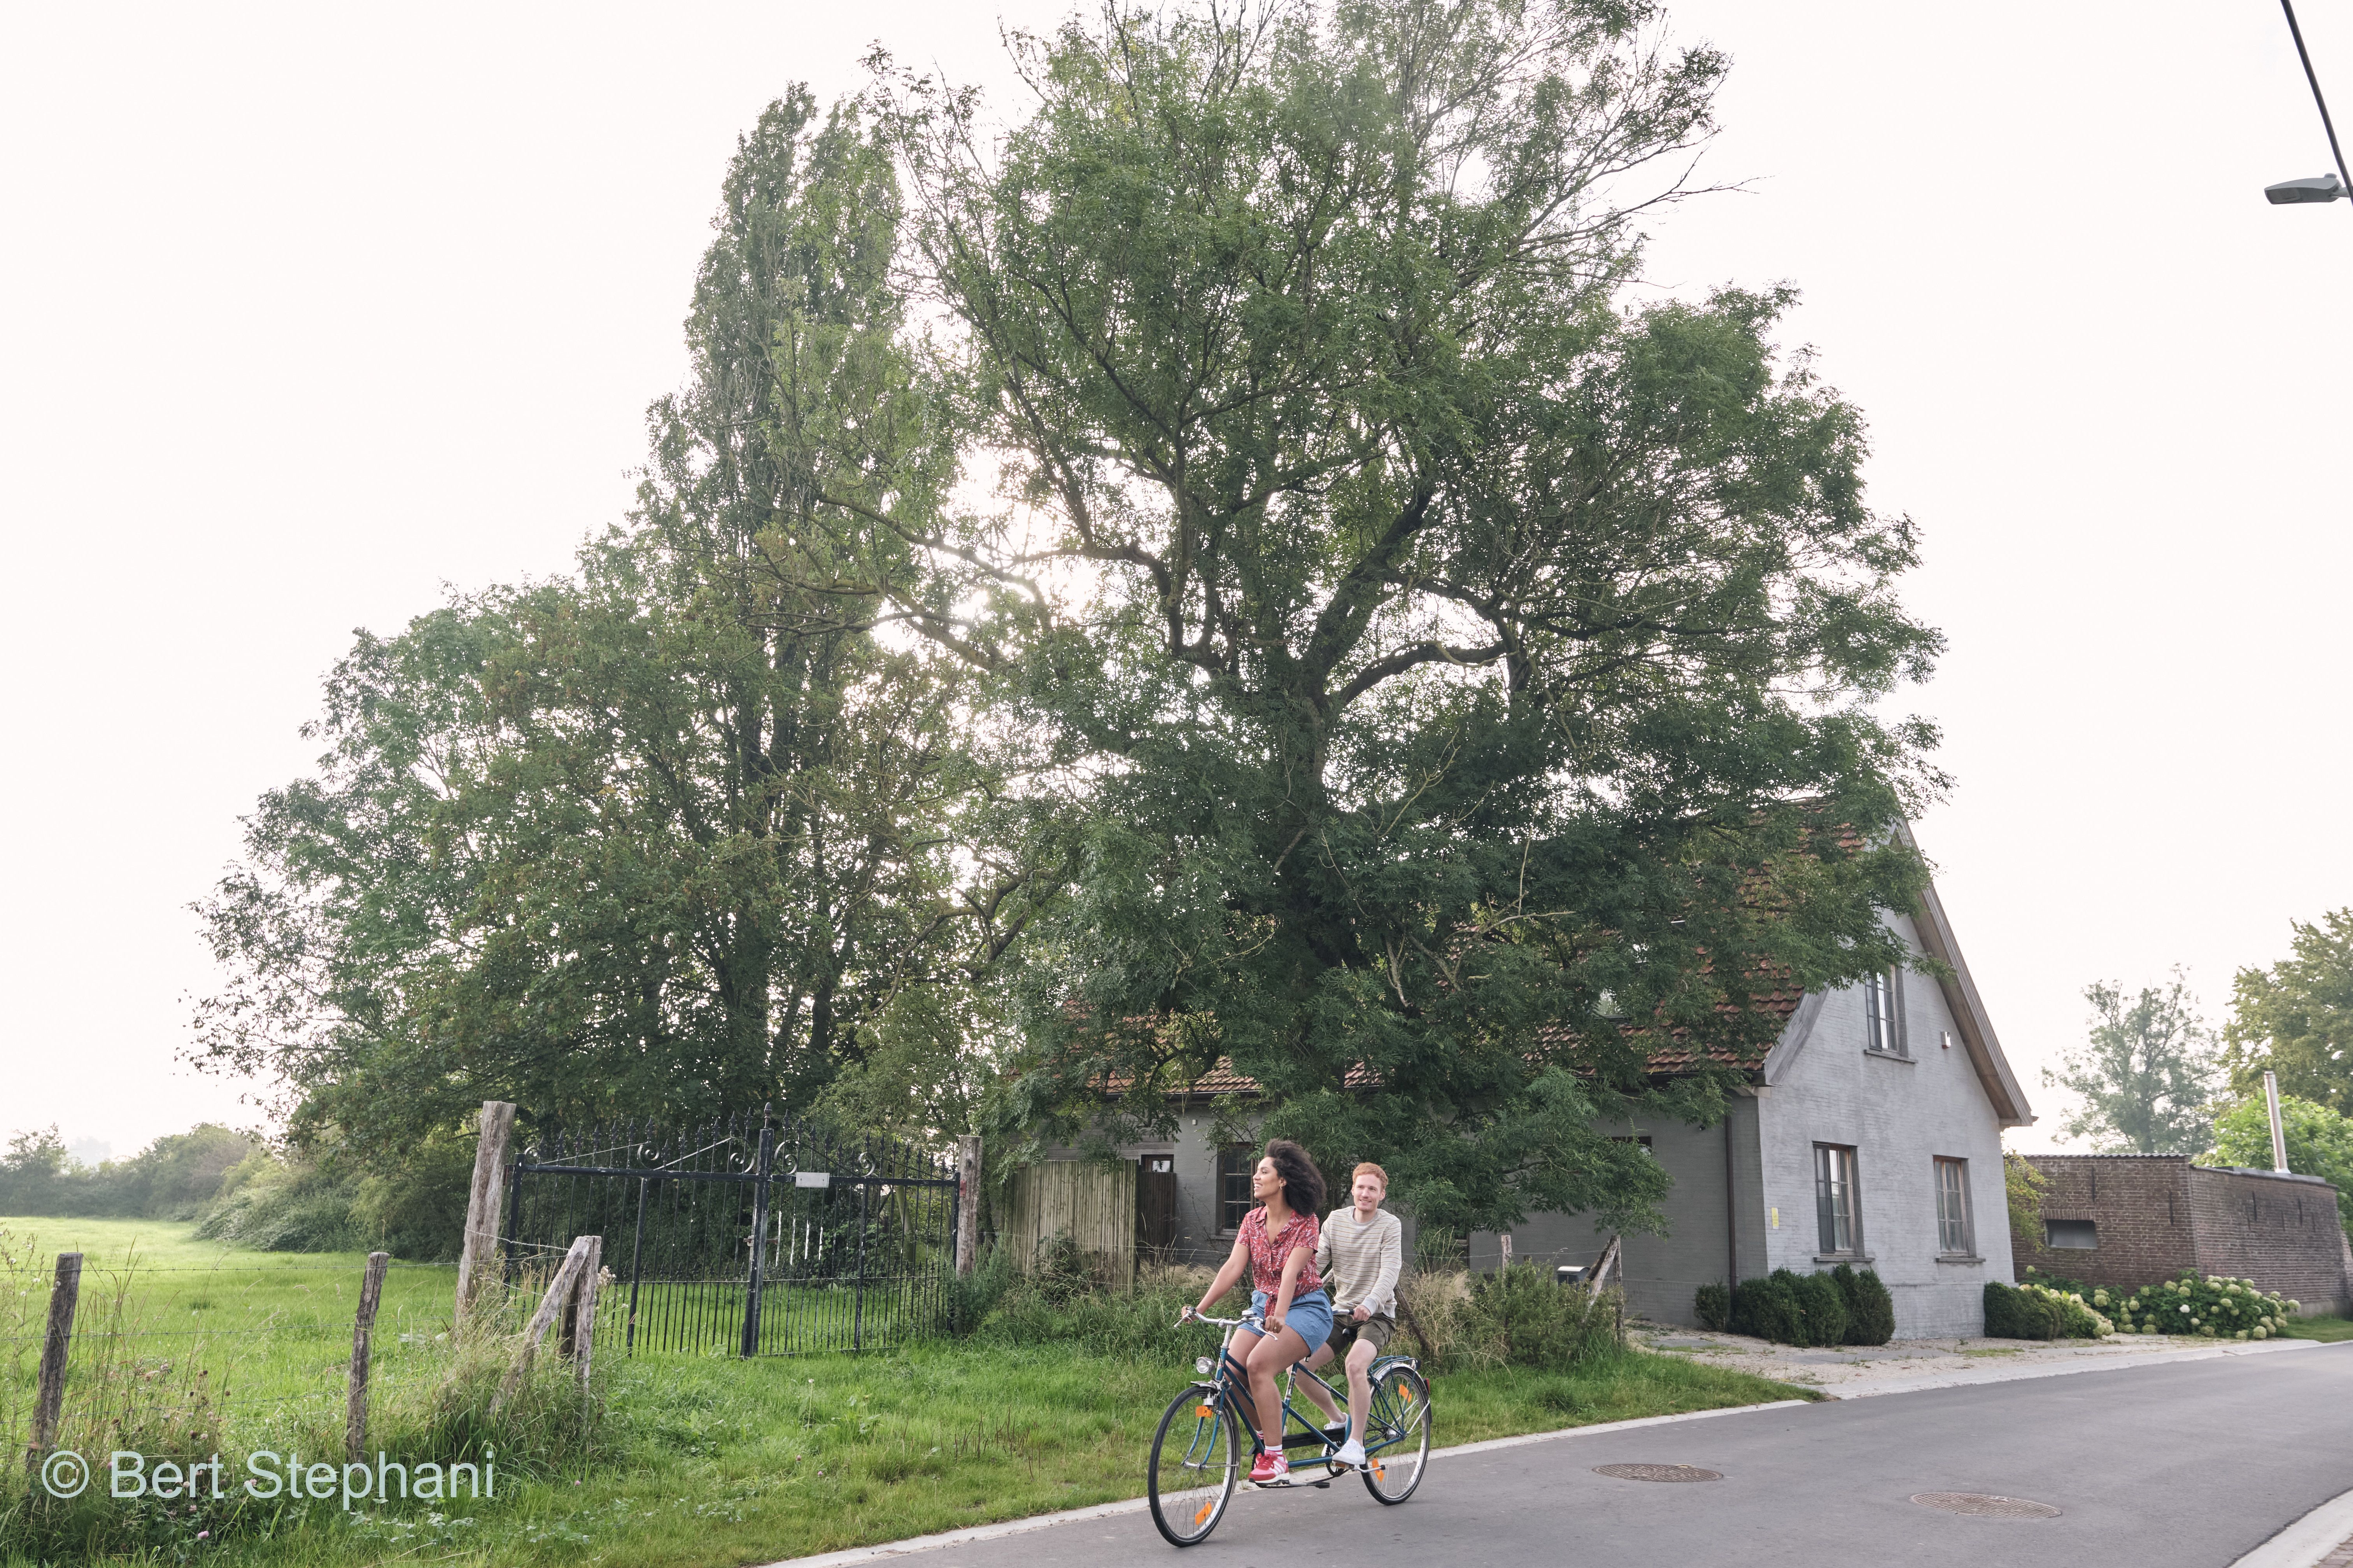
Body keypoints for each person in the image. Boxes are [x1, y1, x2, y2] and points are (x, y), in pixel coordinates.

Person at [1181, 1139, 1331, 1484]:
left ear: (1282, 1181)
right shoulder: (1251, 1220)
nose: (1255, 1176)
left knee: (1259, 1365)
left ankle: (1277, 1460)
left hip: (1305, 1308)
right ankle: (1268, 1438)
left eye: (1264, 1171)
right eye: (1256, 1171)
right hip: (1262, 1307)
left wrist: (1280, 1315)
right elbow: (1232, 1268)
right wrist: (1199, 1308)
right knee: (1230, 1372)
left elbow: (1292, 1272)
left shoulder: (1305, 1222)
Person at [1298, 1162, 1402, 1470]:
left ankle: (1356, 1444)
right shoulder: (1335, 1220)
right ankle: (1337, 1419)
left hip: (1377, 1315)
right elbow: (1315, 1265)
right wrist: (1292, 1293)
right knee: (1299, 1368)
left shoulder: (1389, 1225)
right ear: (1353, 1188)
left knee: (1355, 1365)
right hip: (1341, 1312)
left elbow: (1390, 1271)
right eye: (1360, 1187)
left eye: (1372, 1189)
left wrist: (1371, 1303)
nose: (1365, 1194)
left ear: (1382, 1195)